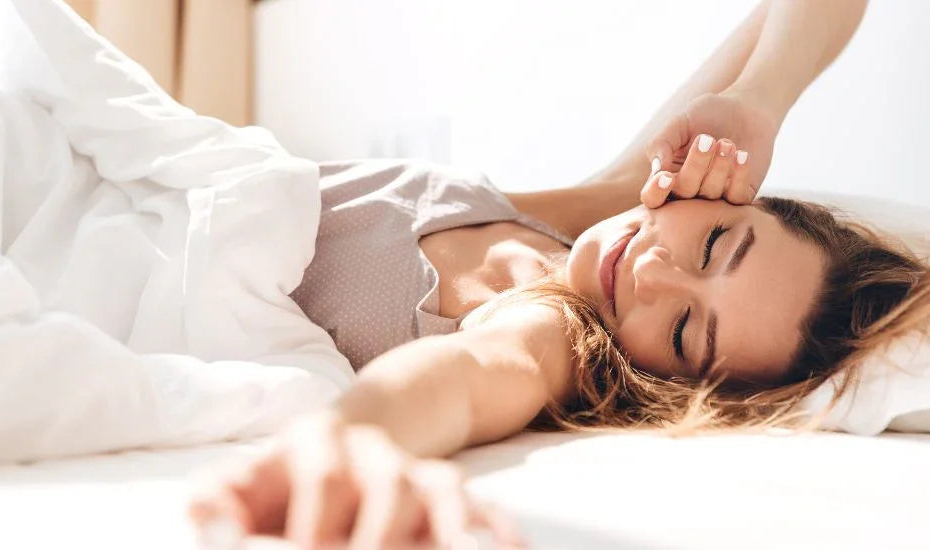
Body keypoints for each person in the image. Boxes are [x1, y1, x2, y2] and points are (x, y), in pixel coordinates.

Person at [190, 0, 929, 548]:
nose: (654, 274)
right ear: (728, 195)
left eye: (681, 330)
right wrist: (755, 101)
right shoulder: (603, 207)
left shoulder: (557, 334)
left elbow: (474, 371)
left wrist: (357, 437)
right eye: (713, 247)